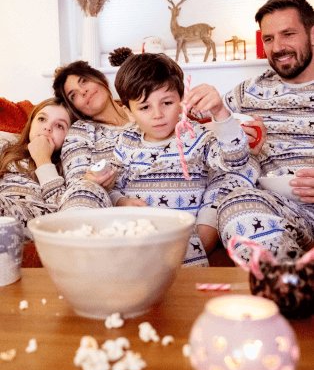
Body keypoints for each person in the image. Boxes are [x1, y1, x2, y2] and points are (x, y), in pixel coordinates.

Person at [185, 0, 314, 262]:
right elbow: (198, 121)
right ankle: (287, 290)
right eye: (269, 38)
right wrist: (204, 105)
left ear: (312, 34)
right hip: (280, 211)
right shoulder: (250, 91)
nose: (278, 47)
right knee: (235, 204)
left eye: (288, 34)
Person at [109, 52, 259, 266]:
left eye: (167, 103)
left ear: (181, 100)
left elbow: (235, 159)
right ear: (129, 111)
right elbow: (113, 187)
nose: (157, 114)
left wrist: (219, 112)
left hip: (184, 242)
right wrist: (121, 201)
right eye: (144, 107)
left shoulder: (196, 136)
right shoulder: (126, 141)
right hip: (135, 238)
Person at [53, 60, 129, 210]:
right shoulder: (81, 131)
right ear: (76, 108)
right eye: (73, 95)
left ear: (101, 79)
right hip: (112, 213)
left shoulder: (144, 108)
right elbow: (77, 185)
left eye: (84, 81)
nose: (83, 92)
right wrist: (92, 180)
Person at [0, 98, 72, 239]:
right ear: (30, 124)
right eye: (41, 119)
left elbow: (63, 211)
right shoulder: (7, 149)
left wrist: (43, 159)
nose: (47, 127)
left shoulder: (67, 165)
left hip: (37, 218)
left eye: (59, 126)